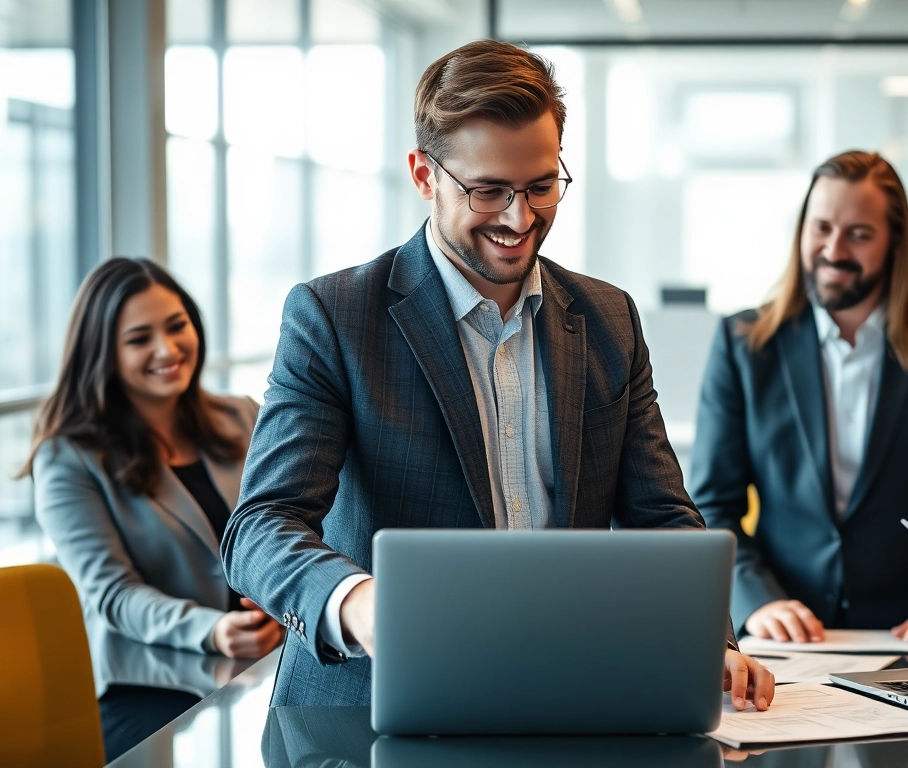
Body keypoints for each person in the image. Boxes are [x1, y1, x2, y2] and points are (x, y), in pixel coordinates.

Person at [221, 39, 774, 710]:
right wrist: (358, 602)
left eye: (542, 186)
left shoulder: (608, 319)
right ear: (424, 175)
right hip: (369, 710)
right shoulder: (335, 317)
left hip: (566, 697)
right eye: (489, 191)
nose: (520, 218)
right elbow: (261, 525)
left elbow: (663, 518)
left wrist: (706, 639)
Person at [691, 150, 908, 645]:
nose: (834, 249)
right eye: (821, 227)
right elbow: (711, 506)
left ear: (895, 243)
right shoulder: (745, 343)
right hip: (784, 637)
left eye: (859, 234)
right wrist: (756, 600)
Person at [24, 257, 280, 759]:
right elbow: (114, 594)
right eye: (140, 338)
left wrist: (286, 604)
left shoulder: (243, 416)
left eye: (176, 325)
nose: (168, 349)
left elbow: (290, 527)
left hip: (265, 667)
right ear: (103, 353)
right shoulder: (68, 458)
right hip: (152, 686)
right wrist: (212, 631)